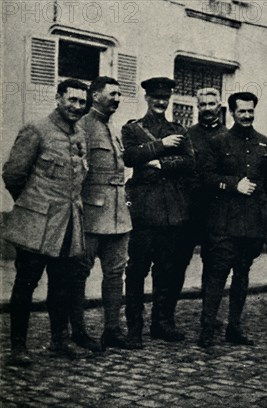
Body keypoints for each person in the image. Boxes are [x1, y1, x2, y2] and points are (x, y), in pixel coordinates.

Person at [2, 79, 89, 365]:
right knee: (25, 285)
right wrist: (32, 206)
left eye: (82, 101)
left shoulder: (79, 135)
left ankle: (59, 342)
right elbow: (13, 174)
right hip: (36, 224)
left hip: (67, 225)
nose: (77, 106)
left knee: (62, 285)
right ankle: (18, 347)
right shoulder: (36, 129)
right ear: (58, 98)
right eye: (72, 100)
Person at [122, 77, 194, 348]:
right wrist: (162, 145)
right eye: (156, 97)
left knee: (166, 270)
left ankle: (161, 324)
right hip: (143, 211)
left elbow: (190, 162)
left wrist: (159, 164)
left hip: (171, 211)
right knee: (137, 271)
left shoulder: (180, 130)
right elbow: (129, 156)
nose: (161, 102)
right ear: (147, 98)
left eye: (165, 98)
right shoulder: (133, 129)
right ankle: (134, 329)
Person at [198, 92, 267, 348]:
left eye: (250, 111)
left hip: (252, 224)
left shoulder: (265, 144)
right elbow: (206, 177)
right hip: (224, 223)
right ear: (231, 113)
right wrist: (233, 185)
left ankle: (234, 327)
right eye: (242, 111)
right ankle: (207, 329)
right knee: (217, 274)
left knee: (242, 275)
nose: (247, 116)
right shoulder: (218, 142)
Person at [70, 77, 132, 352]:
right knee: (79, 273)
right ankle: (78, 331)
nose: (117, 99)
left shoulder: (113, 126)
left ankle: (112, 330)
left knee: (115, 274)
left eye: (119, 95)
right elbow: (75, 173)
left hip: (118, 215)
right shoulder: (82, 126)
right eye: (112, 94)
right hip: (91, 215)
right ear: (95, 96)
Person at [181, 87, 228, 316]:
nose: (207, 109)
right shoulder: (187, 135)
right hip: (190, 210)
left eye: (211, 104)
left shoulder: (229, 137)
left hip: (217, 211)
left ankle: (209, 316)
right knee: (178, 262)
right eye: (203, 105)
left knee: (214, 266)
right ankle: (166, 318)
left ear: (219, 107)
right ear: (197, 107)